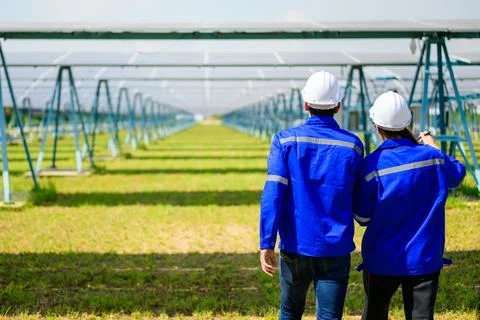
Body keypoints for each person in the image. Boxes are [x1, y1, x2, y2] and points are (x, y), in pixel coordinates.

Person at [259, 71, 364, 320]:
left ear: (305, 104)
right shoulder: (352, 145)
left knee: (289, 310)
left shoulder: (284, 141)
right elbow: (359, 198)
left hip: (295, 245)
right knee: (329, 315)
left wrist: (266, 241)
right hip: (335, 247)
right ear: (338, 106)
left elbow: (273, 193)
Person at [354, 91, 466, 320]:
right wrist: (433, 146)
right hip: (423, 258)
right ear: (409, 123)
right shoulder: (432, 157)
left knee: (374, 314)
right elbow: (457, 174)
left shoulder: (370, 166)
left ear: (377, 127)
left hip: (381, 259)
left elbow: (362, 217)